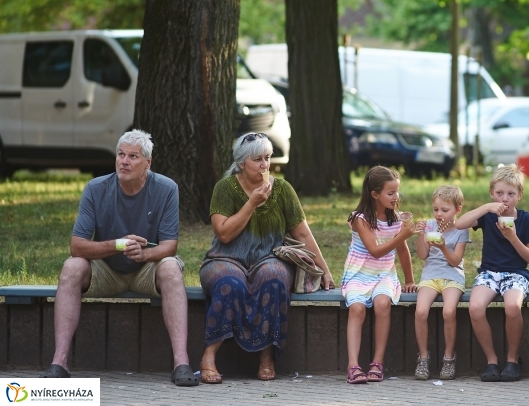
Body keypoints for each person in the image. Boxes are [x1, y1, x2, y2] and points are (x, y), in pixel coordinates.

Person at [41, 130, 197, 386]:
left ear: (148, 163)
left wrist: (145, 253)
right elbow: (76, 246)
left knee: (170, 268)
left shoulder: (167, 188)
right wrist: (118, 244)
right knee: (71, 267)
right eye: (121, 154)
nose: (124, 161)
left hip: (147, 268)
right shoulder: (95, 188)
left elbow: (170, 245)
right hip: (107, 270)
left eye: (133, 156)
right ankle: (59, 362)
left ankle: (181, 363)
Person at [198, 132, 335, 384]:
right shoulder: (224, 188)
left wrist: (323, 269)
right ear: (241, 163)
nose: (265, 165)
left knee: (274, 278)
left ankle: (266, 357)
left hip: (268, 258)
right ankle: (208, 356)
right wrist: (251, 203)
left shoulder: (282, 189)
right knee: (230, 283)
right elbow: (224, 234)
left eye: (267, 158)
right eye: (257, 159)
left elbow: (302, 232)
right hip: (225, 258)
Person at [458, 165, 529, 382]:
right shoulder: (487, 216)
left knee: (512, 306)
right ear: (492, 193)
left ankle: (513, 360)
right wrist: (486, 208)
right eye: (499, 194)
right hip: (489, 273)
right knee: (475, 307)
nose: (505, 199)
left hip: (516, 273)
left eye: (511, 194)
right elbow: (459, 224)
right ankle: (491, 360)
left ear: (519, 195)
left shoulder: (525, 219)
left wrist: (513, 237)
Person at [342, 166, 418, 384]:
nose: (396, 197)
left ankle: (377, 362)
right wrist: (402, 235)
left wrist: (410, 280)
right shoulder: (360, 219)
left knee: (382, 304)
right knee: (356, 308)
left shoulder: (396, 219)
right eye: (391, 193)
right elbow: (375, 251)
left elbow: (402, 251)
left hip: (384, 274)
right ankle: (353, 365)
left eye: (397, 192)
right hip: (358, 273)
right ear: (375, 194)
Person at [413, 185, 471, 380]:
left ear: (458, 209)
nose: (439, 214)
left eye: (445, 210)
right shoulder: (429, 226)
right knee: (421, 311)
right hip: (430, 275)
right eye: (436, 209)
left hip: (452, 275)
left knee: (449, 311)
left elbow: (455, 261)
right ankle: (423, 358)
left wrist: (444, 247)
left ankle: (448, 358)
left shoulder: (461, 230)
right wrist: (421, 236)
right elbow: (422, 256)